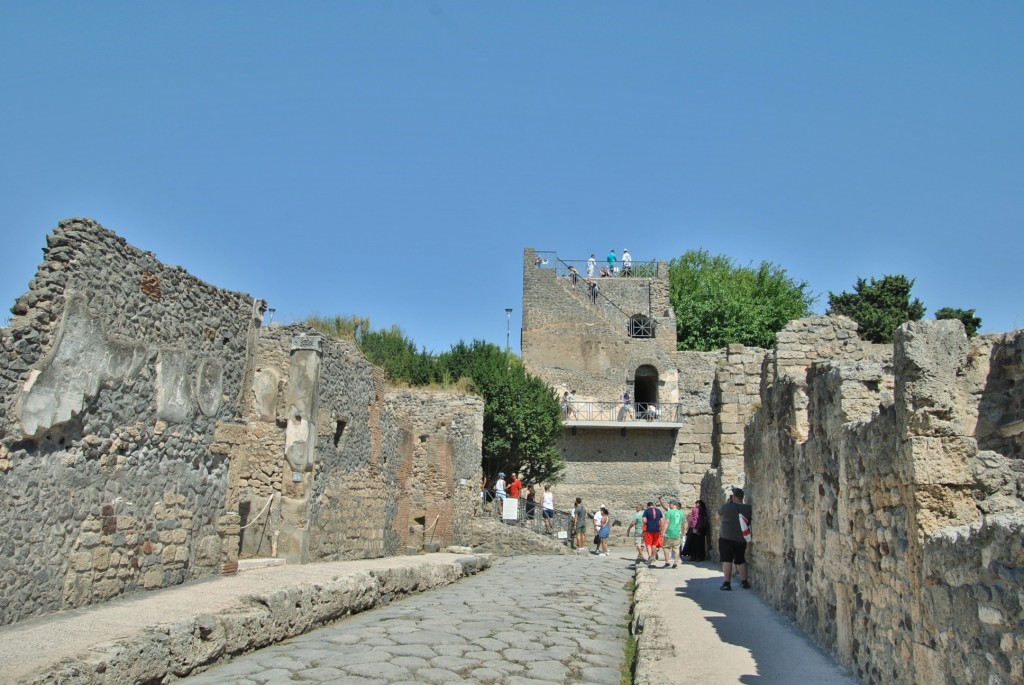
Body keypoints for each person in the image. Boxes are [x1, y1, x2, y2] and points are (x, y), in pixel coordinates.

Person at [716, 487, 753, 590]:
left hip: (726, 538)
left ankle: (727, 583)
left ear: (735, 497)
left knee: (727, 560)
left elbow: (716, 517)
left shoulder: (727, 507)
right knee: (740, 560)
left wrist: (728, 504)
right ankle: (744, 582)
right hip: (741, 539)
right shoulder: (748, 508)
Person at [659, 497, 684, 568]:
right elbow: (683, 524)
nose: (669, 505)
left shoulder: (669, 512)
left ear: (674, 505)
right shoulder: (681, 513)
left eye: (670, 504)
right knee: (676, 549)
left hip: (669, 533)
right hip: (677, 533)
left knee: (666, 547)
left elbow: (667, 522)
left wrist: (663, 531)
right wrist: (682, 533)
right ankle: (675, 563)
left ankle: (667, 562)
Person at [641, 501, 663, 567]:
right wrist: (661, 528)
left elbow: (644, 520)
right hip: (657, 530)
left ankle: (650, 556)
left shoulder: (646, 511)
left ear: (648, 506)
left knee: (648, 544)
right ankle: (653, 557)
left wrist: (646, 523)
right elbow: (661, 520)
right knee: (654, 544)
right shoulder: (659, 511)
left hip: (649, 529)